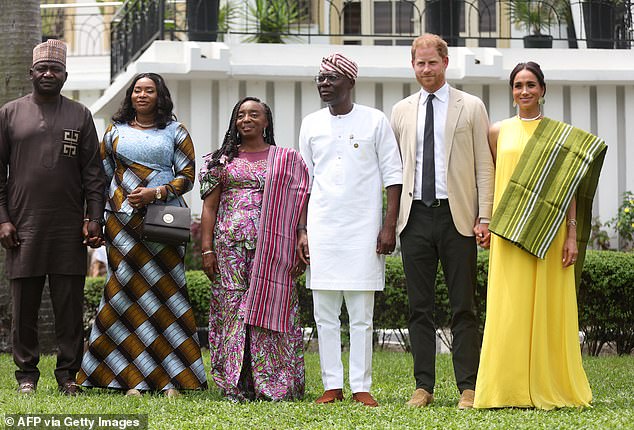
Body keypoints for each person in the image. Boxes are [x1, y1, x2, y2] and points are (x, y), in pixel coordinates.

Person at [474, 62, 606, 410]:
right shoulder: (497, 132)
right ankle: (507, 389)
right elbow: (495, 181)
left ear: (543, 90)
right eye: (518, 85)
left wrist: (572, 234)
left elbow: (568, 191)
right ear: (512, 91)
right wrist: (485, 221)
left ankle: (552, 384)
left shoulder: (561, 136)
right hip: (509, 233)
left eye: (531, 85)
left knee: (549, 307)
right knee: (509, 307)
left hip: (550, 232)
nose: (524, 92)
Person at [77, 73, 206, 397]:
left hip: (163, 222)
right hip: (121, 224)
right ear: (130, 96)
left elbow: (188, 175)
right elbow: (101, 178)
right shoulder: (114, 133)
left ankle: (170, 381)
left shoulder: (175, 131)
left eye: (150, 90)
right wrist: (94, 217)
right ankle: (129, 380)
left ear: (160, 96)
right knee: (125, 297)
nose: (143, 95)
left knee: (165, 296)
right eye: (138, 90)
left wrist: (157, 192)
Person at [390, 33, 494, 409]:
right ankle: (424, 387)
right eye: (420, 63)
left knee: (463, 306)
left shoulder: (471, 106)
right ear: (412, 65)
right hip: (414, 216)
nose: (426, 69)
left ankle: (468, 386)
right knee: (419, 307)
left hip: (458, 218)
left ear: (445, 63)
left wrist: (485, 216)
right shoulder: (401, 110)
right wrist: (390, 221)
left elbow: (485, 165)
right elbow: (394, 171)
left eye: (432, 62)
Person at [0, 39, 106, 396]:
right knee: (24, 305)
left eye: (55, 69)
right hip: (22, 226)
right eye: (42, 69)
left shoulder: (80, 115)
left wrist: (94, 217)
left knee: (69, 305)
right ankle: (26, 374)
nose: (48, 74)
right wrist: (3, 219)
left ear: (65, 75)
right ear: (31, 73)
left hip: (67, 227)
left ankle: (68, 374)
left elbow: (93, 172)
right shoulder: (10, 114)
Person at [297, 53, 403, 407]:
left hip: (364, 229)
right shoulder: (310, 123)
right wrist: (302, 231)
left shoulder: (375, 121)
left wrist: (389, 227)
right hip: (323, 228)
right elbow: (304, 183)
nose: (324, 84)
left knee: (361, 316)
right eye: (320, 78)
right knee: (324, 315)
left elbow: (393, 176)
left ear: (350, 81)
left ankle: (361, 386)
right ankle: (331, 385)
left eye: (331, 78)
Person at [199, 97, 309, 401]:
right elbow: (210, 207)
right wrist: (207, 249)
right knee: (232, 310)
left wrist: (302, 234)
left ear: (266, 121)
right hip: (230, 246)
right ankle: (235, 384)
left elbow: (300, 202)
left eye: (254, 114)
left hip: (274, 248)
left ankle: (275, 385)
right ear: (235, 121)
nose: (246, 119)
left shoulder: (287, 159)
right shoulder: (219, 161)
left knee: (273, 308)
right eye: (241, 114)